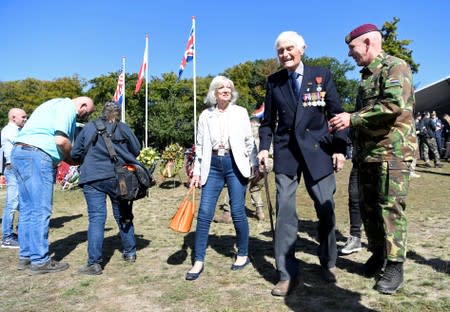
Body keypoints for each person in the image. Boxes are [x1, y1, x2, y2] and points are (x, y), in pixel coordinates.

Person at [258, 31, 347, 296]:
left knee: (325, 208)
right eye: (280, 51)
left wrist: (340, 149)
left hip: (318, 151)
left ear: (302, 49)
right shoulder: (274, 82)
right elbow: (267, 122)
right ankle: (287, 273)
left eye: (289, 49)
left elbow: (337, 114)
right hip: (286, 154)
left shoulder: (322, 75)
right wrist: (264, 148)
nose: (285, 54)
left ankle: (328, 263)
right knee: (285, 212)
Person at [330, 23, 417, 294]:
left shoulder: (395, 66)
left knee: (390, 209)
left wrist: (351, 118)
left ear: (367, 42)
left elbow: (393, 105)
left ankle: (394, 265)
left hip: (393, 152)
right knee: (369, 210)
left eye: (352, 48)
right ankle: (378, 253)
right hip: (368, 155)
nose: (350, 54)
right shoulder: (366, 76)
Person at [186, 75, 258, 281]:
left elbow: (248, 141)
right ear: (214, 92)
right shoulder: (205, 115)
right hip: (213, 166)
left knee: (237, 211)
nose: (226, 90)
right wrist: (197, 172)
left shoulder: (240, 112)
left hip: (235, 164)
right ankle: (198, 260)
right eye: (221, 87)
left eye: (229, 87)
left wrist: (253, 164)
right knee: (205, 212)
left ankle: (243, 254)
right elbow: (199, 145)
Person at [11, 96, 94, 274]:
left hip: (19, 152)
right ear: (83, 105)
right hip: (37, 155)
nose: (85, 117)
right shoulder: (67, 107)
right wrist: (73, 160)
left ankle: (26, 256)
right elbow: (61, 140)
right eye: (88, 113)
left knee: (27, 209)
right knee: (41, 209)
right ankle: (40, 261)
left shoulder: (50, 104)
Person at [71, 102, 141, 275]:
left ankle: (94, 263)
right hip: (119, 177)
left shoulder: (88, 128)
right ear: (118, 114)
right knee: (123, 214)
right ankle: (130, 252)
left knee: (96, 218)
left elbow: (74, 153)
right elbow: (137, 149)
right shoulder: (123, 128)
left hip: (92, 176)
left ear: (102, 113)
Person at [214, 115, 269, 223]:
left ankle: (227, 213)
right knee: (256, 188)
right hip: (264, 162)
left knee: (234, 187)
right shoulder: (262, 130)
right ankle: (260, 212)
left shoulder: (243, 130)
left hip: (249, 163)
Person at [1, 108, 27, 248]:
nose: (25, 119)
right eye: (23, 117)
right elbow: (23, 145)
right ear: (13, 117)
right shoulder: (9, 131)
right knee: (12, 204)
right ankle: (7, 237)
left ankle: (20, 232)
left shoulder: (17, 130)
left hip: (19, 168)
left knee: (21, 203)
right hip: (13, 169)